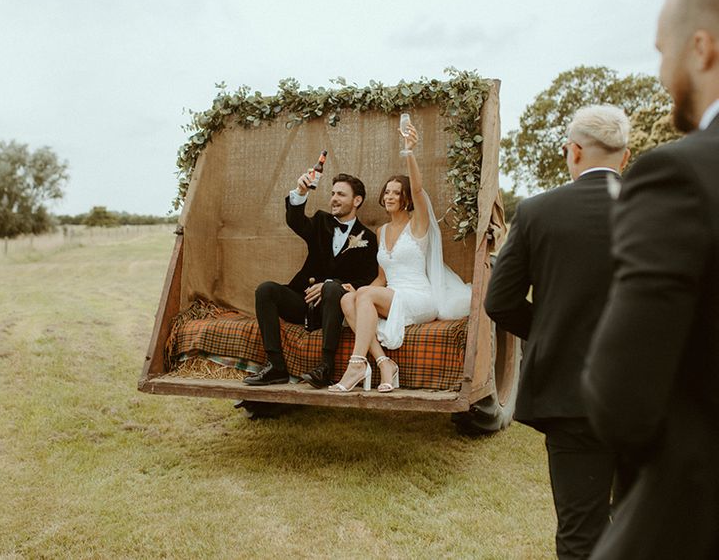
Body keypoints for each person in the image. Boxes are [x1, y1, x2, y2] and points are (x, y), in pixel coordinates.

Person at [582, 0, 719, 559]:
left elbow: (621, 397)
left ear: (702, 47)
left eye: (663, 53)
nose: (662, 76)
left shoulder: (682, 174)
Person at [485, 105, 631, 559]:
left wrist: (548, 330)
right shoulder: (659, 208)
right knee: (647, 529)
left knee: (579, 532)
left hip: (572, 396)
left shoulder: (537, 212)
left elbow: (499, 302)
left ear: (573, 151)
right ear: (625, 157)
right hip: (651, 393)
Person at [329, 121, 471, 393]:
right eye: (387, 191)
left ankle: (358, 364)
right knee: (348, 299)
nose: (390, 195)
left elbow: (419, 190)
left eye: (397, 192)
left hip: (419, 297)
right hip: (391, 293)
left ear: (406, 199)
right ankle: (384, 363)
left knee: (365, 297)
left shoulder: (418, 224)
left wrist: (409, 153)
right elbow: (382, 278)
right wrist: (359, 290)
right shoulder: (381, 231)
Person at [244, 172, 378, 387]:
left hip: (332, 308)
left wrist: (329, 285)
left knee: (333, 289)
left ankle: (326, 367)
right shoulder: (320, 221)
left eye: (341, 194)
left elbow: (367, 278)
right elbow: (295, 220)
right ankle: (275, 366)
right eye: (333, 193)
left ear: (357, 200)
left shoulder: (369, 238)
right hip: (302, 300)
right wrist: (301, 192)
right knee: (265, 290)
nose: (334, 198)